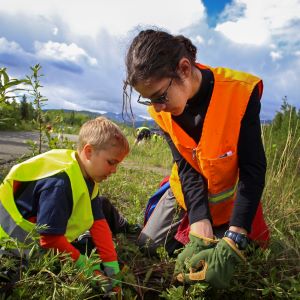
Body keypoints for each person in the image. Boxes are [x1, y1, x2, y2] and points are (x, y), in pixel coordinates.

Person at [123, 29, 269, 288]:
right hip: (186, 193)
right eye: (148, 100)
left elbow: (252, 169)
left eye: (160, 96)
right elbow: (185, 167)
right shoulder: (162, 112)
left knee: (223, 268)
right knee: (148, 246)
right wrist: (200, 218)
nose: (156, 108)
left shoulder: (239, 94)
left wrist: (235, 234)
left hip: (228, 199)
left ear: (184, 69)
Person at [0, 116, 130, 292]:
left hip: (41, 238)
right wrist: (88, 270)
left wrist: (111, 266)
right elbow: (50, 240)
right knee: (18, 284)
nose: (114, 170)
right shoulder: (59, 184)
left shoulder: (85, 172)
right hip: (13, 246)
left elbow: (98, 222)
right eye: (111, 162)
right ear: (89, 151)